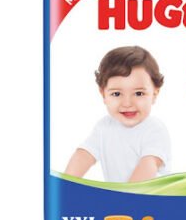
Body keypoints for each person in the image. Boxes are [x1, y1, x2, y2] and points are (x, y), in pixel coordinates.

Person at [65, 46, 171, 183]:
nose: (127, 103)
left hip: (149, 194)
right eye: (116, 94)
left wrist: (125, 196)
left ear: (154, 94)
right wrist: (66, 184)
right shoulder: (104, 127)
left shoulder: (154, 129)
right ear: (103, 94)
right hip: (118, 195)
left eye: (139, 93)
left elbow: (148, 166)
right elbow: (84, 155)